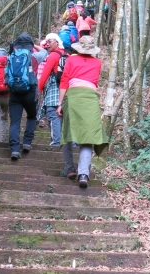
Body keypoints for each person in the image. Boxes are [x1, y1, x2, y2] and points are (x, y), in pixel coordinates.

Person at [57, 35, 108, 188]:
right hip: (90, 99)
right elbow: (95, 82)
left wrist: (60, 103)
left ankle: (70, 168)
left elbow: (64, 81)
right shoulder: (98, 63)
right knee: (88, 136)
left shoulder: (71, 60)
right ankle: (84, 173)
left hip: (73, 97)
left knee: (68, 132)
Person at [6, 33, 39, 161]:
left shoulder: (11, 56)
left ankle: (14, 149)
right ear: (30, 45)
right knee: (31, 117)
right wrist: (33, 45)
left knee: (15, 122)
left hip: (14, 92)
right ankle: (26, 143)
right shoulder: (35, 56)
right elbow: (45, 52)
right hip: (30, 92)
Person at [37, 33, 65, 149]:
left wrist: (38, 90)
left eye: (50, 42)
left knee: (53, 114)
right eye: (46, 42)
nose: (47, 44)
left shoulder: (54, 55)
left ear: (57, 42)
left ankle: (55, 143)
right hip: (65, 88)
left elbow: (45, 73)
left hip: (54, 88)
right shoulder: (66, 54)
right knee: (61, 116)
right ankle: (64, 142)